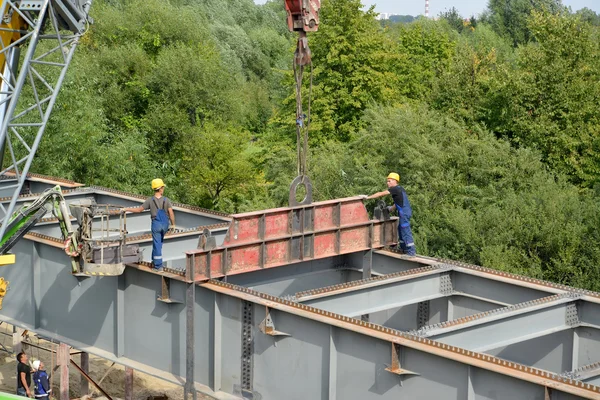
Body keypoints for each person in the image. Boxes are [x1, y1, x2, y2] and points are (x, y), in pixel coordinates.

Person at [122, 179, 176, 271]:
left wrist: (126, 209)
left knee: (157, 244)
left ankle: (158, 266)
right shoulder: (166, 200)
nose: (163, 189)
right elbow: (171, 213)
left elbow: (139, 210)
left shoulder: (150, 200)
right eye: (163, 187)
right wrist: (173, 225)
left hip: (156, 224)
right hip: (165, 224)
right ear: (160, 189)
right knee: (159, 243)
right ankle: (154, 261)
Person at [367, 172, 416, 256]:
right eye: (387, 181)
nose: (387, 183)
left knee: (405, 231)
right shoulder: (400, 189)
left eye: (389, 181)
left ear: (394, 181)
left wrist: (367, 197)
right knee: (400, 230)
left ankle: (411, 252)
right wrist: (391, 208)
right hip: (404, 212)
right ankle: (403, 249)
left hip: (404, 213)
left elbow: (380, 193)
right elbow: (398, 202)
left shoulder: (395, 189)